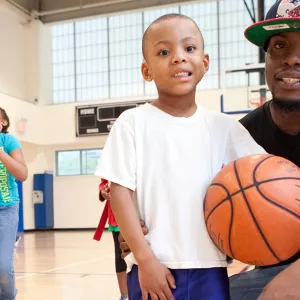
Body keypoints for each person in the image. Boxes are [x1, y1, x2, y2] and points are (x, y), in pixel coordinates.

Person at [119, 1, 300, 299]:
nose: (292, 59)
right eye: (279, 45)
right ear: (266, 59)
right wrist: (152, 234)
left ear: (204, 61)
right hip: (275, 265)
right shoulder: (240, 134)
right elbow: (220, 206)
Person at [96, 13, 265, 300]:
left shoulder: (225, 128)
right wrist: (145, 259)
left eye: (189, 48)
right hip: (152, 266)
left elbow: (264, 180)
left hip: (210, 266)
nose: (178, 58)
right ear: (146, 70)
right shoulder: (132, 122)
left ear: (205, 62)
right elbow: (119, 192)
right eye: (164, 52)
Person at [0, 107, 28, 300]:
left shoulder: (9, 142)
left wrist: (1, 153)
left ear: (3, 122)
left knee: (3, 266)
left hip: (6, 208)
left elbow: (22, 174)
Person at [94, 179, 128, 300]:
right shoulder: (109, 161)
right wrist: (103, 190)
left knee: (140, 255)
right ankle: (124, 294)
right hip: (116, 215)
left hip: (136, 214)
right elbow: (103, 182)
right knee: (120, 256)